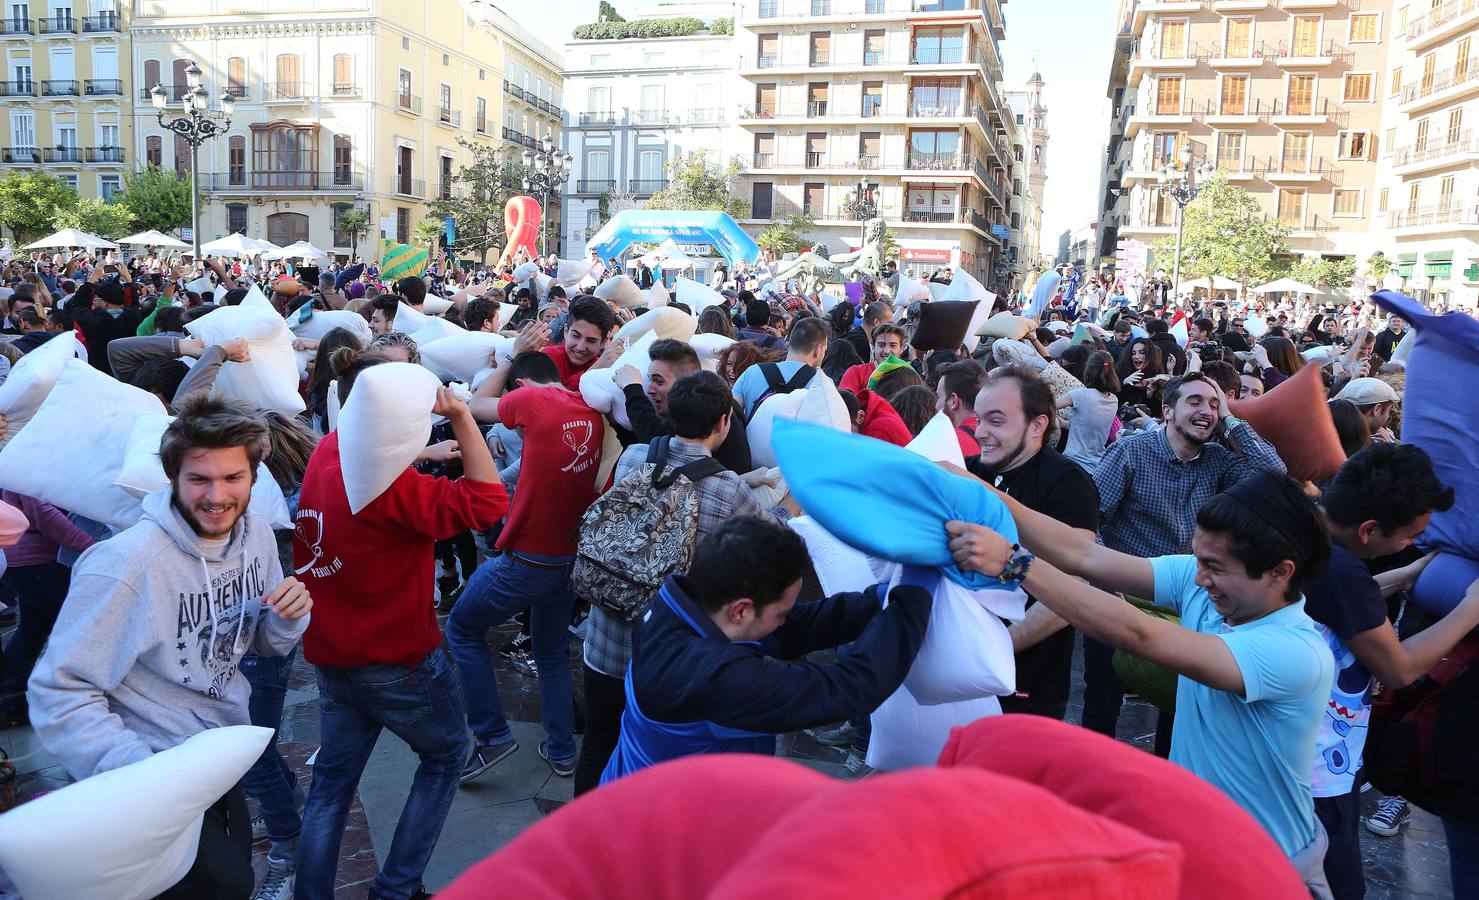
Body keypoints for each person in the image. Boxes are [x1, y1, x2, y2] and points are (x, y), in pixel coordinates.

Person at [946, 471, 1335, 888]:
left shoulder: (1297, 653)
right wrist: (981, 491)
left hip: (1268, 868)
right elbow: (1084, 556)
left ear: (1279, 573)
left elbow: (1139, 634)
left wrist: (1015, 563)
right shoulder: (1206, 586)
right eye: (1198, 559)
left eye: (1215, 567)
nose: (1200, 578)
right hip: (1199, 846)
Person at [28, 396, 312, 899]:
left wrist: (288, 618)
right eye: (199, 479)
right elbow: (59, 691)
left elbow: (263, 646)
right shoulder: (125, 565)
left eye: (232, 478)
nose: (217, 496)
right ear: (174, 478)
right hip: (150, 774)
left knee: (236, 881)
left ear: (254, 476)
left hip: (219, 761)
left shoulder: (257, 539)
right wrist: (144, 778)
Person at [294, 354, 507, 900]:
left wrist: (423, 450)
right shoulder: (400, 494)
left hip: (331, 651)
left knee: (331, 787)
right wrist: (460, 416)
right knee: (444, 755)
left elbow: (374, 449)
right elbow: (489, 501)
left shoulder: (327, 451)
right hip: (397, 661)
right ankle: (396, 887)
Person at [574, 371, 791, 794]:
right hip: (665, 655)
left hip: (604, 639)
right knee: (653, 762)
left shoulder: (636, 456)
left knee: (599, 743)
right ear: (723, 422)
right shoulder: (726, 488)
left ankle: (580, 840)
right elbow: (772, 536)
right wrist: (787, 506)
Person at [600, 517, 933, 784]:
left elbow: (795, 627)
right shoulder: (717, 678)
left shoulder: (680, 605)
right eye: (781, 612)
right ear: (741, 610)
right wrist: (915, 593)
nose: (785, 619)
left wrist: (875, 602)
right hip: (664, 839)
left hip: (632, 787)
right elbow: (851, 687)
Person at [1307, 444, 1479, 898]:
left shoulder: (1307, 538)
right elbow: (1399, 668)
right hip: (1316, 772)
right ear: (1369, 530)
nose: (1410, 546)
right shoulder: (1344, 575)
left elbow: (1342, 602)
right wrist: (1470, 609)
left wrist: (1408, 573)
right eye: (1409, 537)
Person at [1088, 371, 1285, 745]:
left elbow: (1275, 474)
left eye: (1213, 405)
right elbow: (1092, 517)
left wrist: (1232, 421)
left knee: (1180, 704)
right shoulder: (1132, 452)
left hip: (1182, 599)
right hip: (1122, 592)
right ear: (1167, 411)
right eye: (1194, 401)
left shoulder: (1217, 460)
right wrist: (1102, 584)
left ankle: (1166, 784)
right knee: (1103, 699)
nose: (1206, 411)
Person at [456, 351, 605, 782]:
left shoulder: (533, 402)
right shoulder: (587, 409)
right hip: (569, 559)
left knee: (462, 629)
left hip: (526, 561)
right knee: (552, 653)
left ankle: (491, 736)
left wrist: (502, 361)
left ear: (520, 387)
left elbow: (472, 405)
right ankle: (561, 750)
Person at [965, 366, 1099, 721]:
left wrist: (996, 649)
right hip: (961, 668)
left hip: (1026, 683)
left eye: (995, 420)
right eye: (978, 419)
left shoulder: (1067, 482)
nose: (980, 432)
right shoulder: (971, 472)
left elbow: (1068, 593)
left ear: (1037, 425)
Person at [0, 489, 96, 726]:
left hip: (25, 561)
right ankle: (76, 702)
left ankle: (8, 703)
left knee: (33, 630)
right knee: (80, 629)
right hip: (36, 562)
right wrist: (91, 546)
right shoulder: (28, 467)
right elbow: (44, 514)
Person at [614, 339, 752, 474]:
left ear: (685, 383)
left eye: (659, 381)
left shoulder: (704, 411)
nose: (649, 389)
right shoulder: (720, 400)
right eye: (649, 380)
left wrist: (632, 389)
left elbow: (656, 438)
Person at [730, 317, 830, 419]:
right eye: (825, 350)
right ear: (818, 350)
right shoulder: (823, 384)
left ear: (790, 342)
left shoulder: (753, 371)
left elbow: (730, 413)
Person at [1058, 350, 1120, 475]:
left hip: (1074, 464)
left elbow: (1047, 405)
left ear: (1088, 371)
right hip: (1097, 466)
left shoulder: (1080, 395)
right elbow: (1088, 427)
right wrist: (1063, 423)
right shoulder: (1113, 400)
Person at [540, 296, 617, 392]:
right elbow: (549, 399)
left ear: (603, 342)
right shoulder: (545, 358)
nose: (580, 347)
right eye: (576, 336)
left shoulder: (608, 370)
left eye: (591, 340)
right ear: (566, 331)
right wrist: (592, 372)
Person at [934, 359, 986, 463]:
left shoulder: (948, 443)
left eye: (938, 397)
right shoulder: (999, 437)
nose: (936, 406)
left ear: (954, 400)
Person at [838, 323, 909, 396]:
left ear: (901, 349)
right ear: (873, 347)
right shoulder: (856, 373)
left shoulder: (909, 376)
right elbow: (846, 402)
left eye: (893, 345)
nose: (886, 351)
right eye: (881, 345)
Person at [1334, 378, 1399, 443]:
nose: (1388, 416)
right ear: (1377, 409)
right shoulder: (1374, 447)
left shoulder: (1332, 433)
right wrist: (1388, 449)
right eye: (1389, 410)